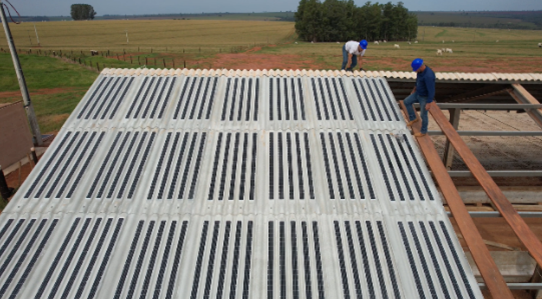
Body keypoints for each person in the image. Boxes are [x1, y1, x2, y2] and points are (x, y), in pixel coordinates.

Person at [404, 58, 436, 137]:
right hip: (418, 93)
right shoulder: (420, 72)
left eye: (416, 69)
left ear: (420, 67)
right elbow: (418, 81)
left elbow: (431, 90)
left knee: (423, 114)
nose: (415, 71)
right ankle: (413, 118)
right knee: (406, 101)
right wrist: (414, 89)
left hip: (424, 97)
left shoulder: (428, 76)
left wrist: (429, 102)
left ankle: (423, 131)